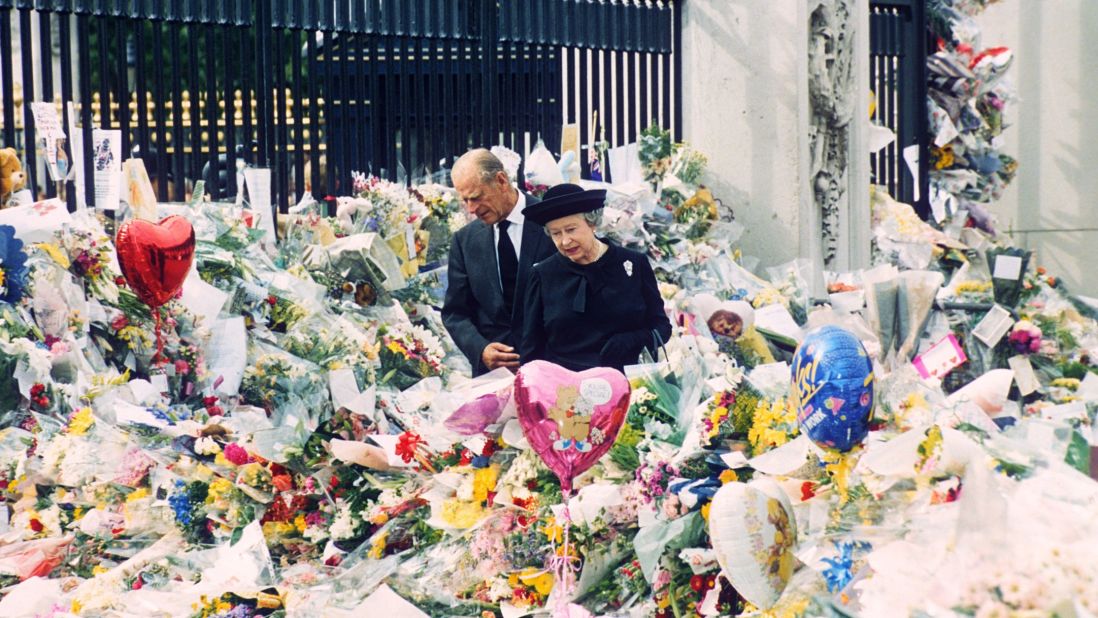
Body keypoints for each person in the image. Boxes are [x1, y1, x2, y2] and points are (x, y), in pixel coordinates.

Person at [520, 183, 672, 372]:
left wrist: (633, 340)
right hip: (567, 390)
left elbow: (662, 327)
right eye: (556, 233)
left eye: (571, 229)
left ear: (592, 223)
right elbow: (531, 351)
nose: (565, 241)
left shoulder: (634, 263)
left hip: (630, 384)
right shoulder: (542, 275)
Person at [442, 149, 555, 375]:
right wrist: (480, 350)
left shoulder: (552, 223)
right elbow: (455, 313)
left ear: (501, 181)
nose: (471, 209)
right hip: (493, 378)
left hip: (551, 369)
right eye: (465, 200)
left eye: (476, 197)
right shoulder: (464, 241)